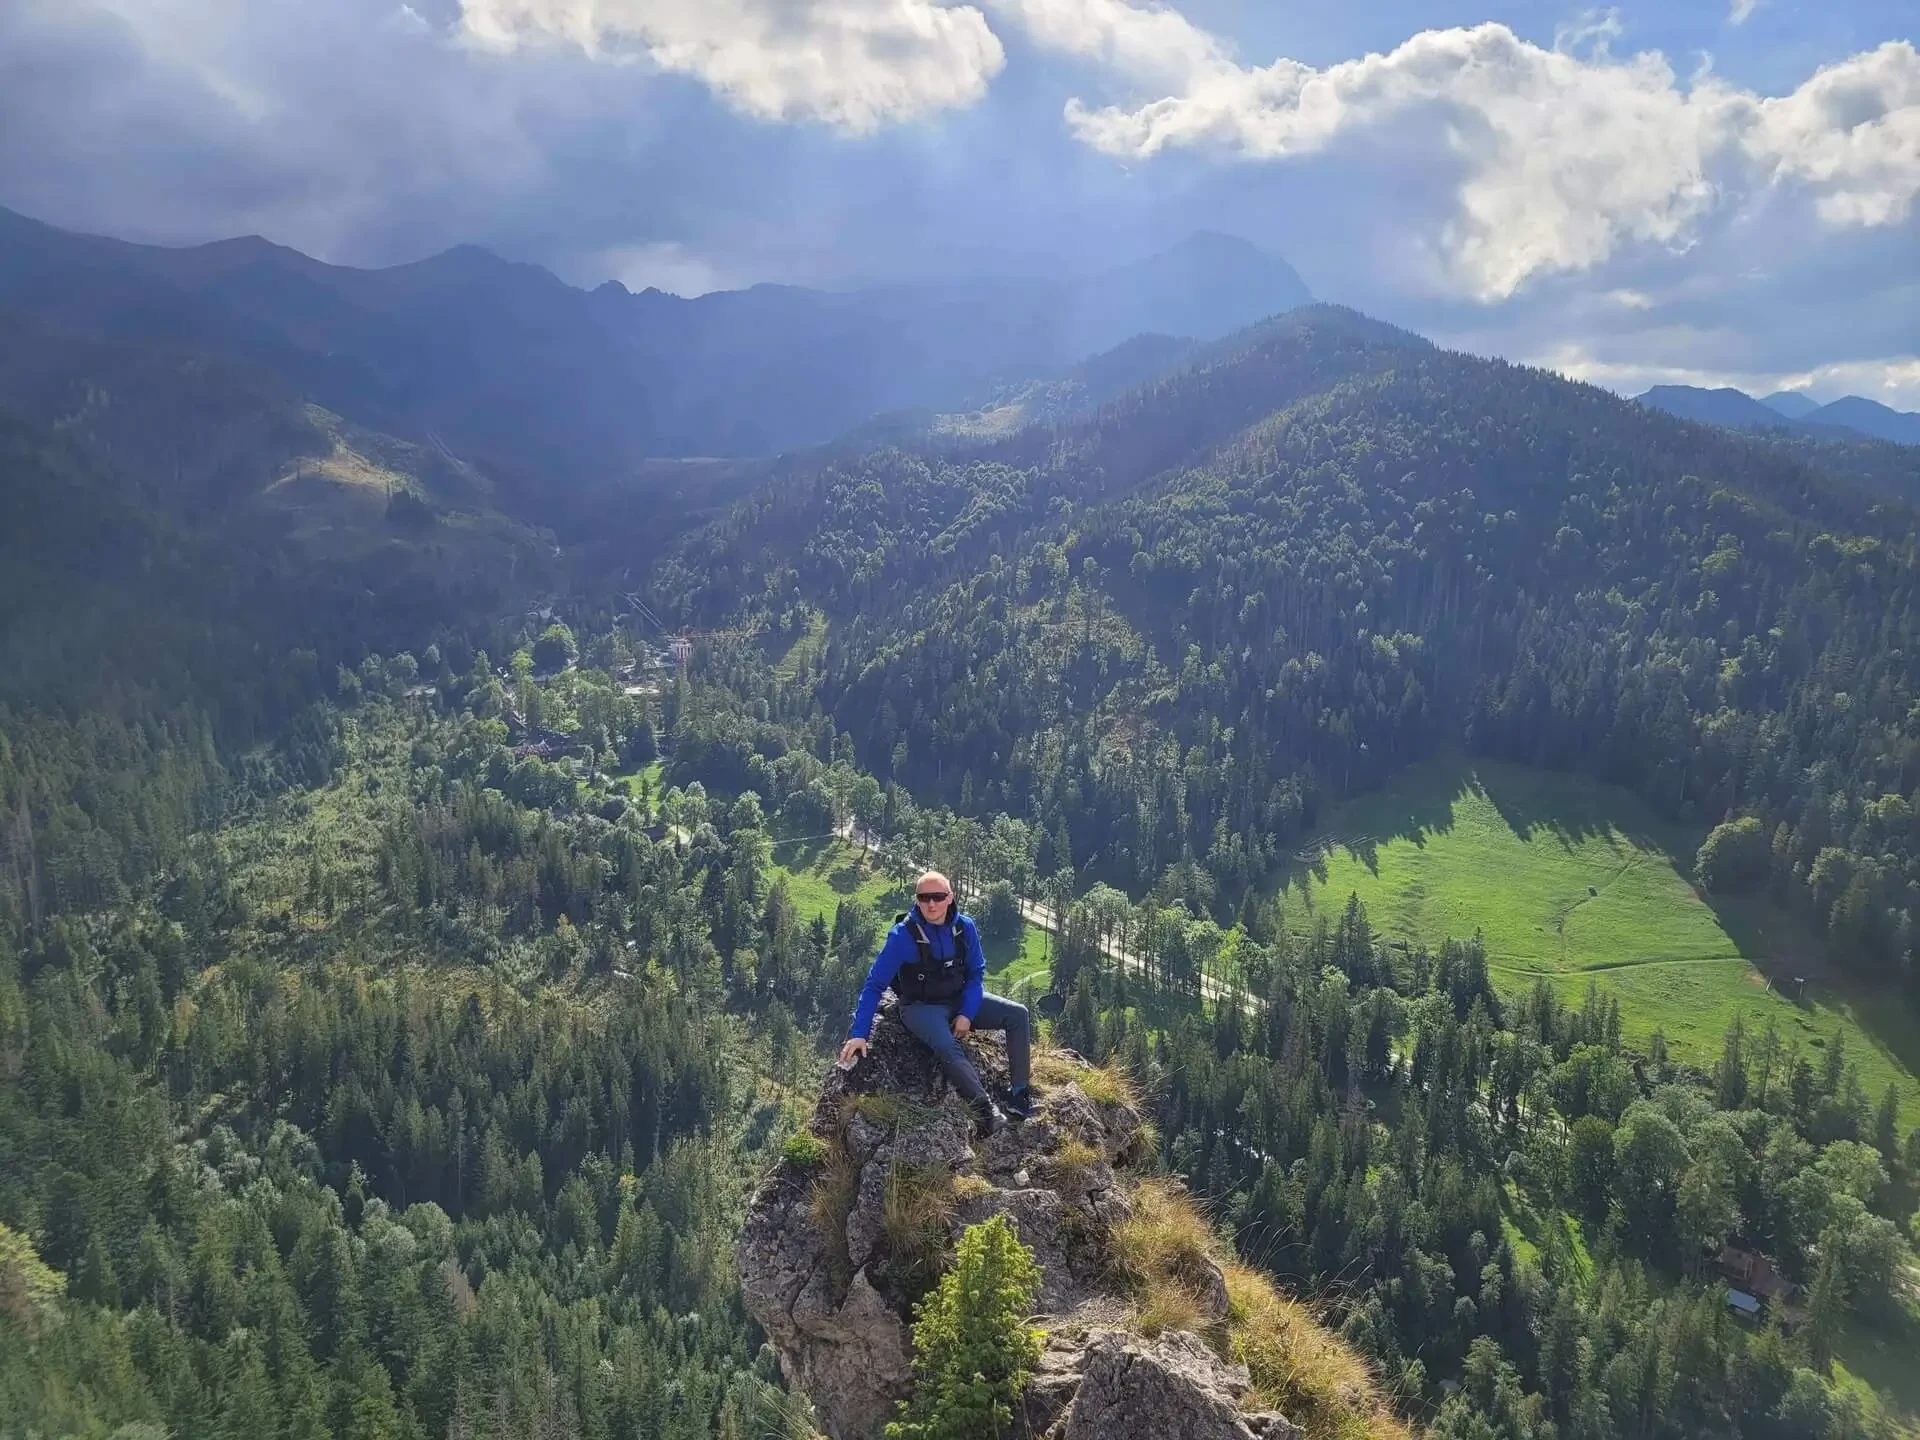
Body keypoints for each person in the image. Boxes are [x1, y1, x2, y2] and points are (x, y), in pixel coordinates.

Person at [838, 870, 1035, 1136]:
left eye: (938, 897)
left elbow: (976, 973)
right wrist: (860, 1033)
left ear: (950, 897)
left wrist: (967, 1013)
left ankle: (1019, 1094)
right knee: (945, 1044)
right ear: (917, 900)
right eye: (924, 898)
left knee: (1018, 1014)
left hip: (958, 998)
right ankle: (987, 1111)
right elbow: (874, 985)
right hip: (920, 1007)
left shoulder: (964, 927)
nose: (931, 904)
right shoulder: (902, 936)